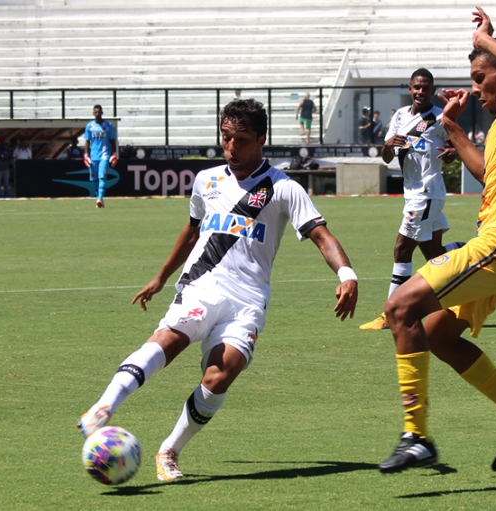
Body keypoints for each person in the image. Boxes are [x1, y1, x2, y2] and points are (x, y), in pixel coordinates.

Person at [77, 99, 359, 482]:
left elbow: (321, 235)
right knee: (170, 340)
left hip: (247, 300)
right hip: (202, 285)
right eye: (226, 138)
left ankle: (169, 450)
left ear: (261, 139)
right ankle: (103, 407)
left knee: (220, 375)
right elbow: (192, 231)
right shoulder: (206, 180)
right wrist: (161, 276)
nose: (231, 147)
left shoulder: (283, 188)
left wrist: (347, 274)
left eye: (241, 140)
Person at [377, 6, 496, 474]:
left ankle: (416, 436)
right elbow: (487, 175)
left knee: (400, 307)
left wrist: (484, 39)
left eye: (480, 79)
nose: (475, 89)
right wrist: (453, 127)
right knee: (438, 336)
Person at [359, 68, 459, 331]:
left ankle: (391, 313)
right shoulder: (400, 116)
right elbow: (386, 158)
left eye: (425, 88)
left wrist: (452, 151)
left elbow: (459, 144)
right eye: (417, 87)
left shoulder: (440, 117)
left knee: (402, 249)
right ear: (410, 88)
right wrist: (388, 144)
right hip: (412, 193)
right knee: (434, 254)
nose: (420, 92)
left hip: (426, 193)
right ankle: (465, 253)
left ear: (432, 90)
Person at [84, 105, 118, 208]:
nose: (97, 114)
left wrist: (114, 153)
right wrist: (86, 154)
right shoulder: (89, 126)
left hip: (104, 155)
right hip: (93, 156)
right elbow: (87, 141)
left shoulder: (108, 125)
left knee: (102, 177)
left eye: (99, 112)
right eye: (96, 112)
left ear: (102, 113)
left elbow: (112, 140)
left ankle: (99, 199)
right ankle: (100, 199)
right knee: (94, 179)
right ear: (93, 113)